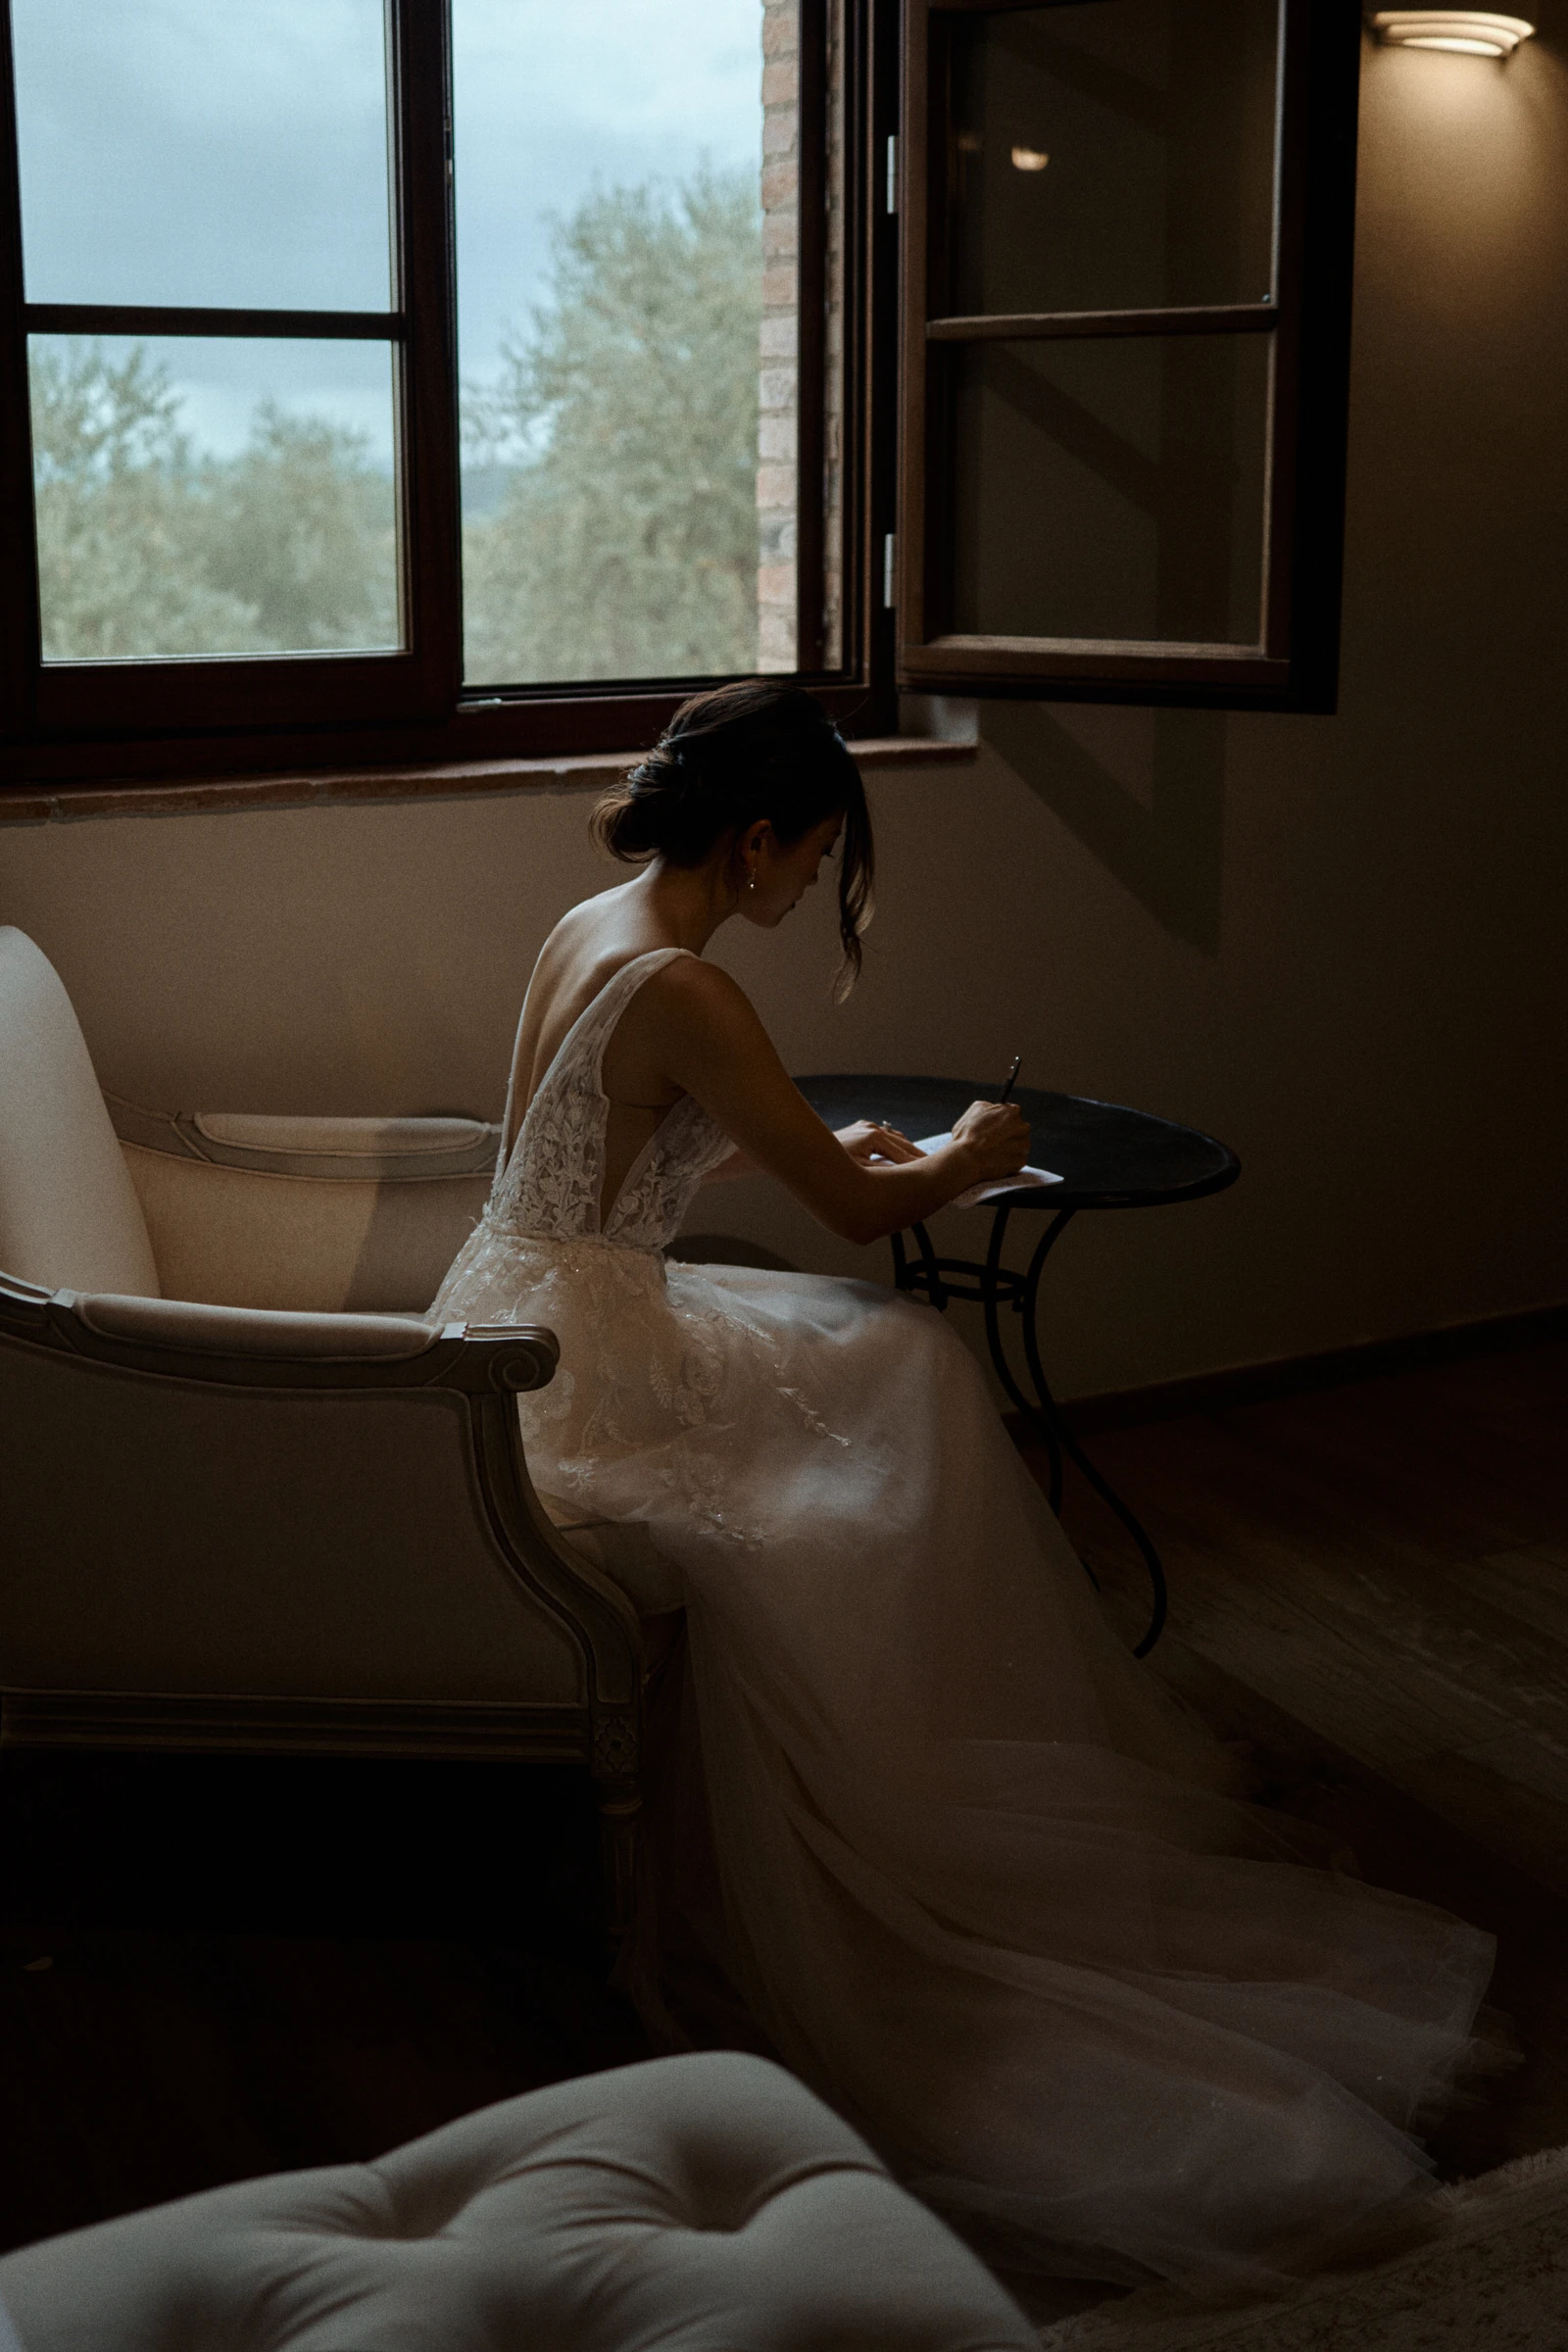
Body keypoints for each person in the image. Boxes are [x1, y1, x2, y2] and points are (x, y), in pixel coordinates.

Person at [428, 680, 1500, 2292]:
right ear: (760, 834)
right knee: (898, 1386)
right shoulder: (688, 983)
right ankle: (926, 1778)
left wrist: (803, 1134)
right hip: (587, 1365)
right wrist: (969, 1156)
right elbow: (863, 1227)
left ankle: (945, 1720)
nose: (804, 896)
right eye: (812, 864)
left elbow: (578, 1158)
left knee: (888, 1368)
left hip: (510, 1305)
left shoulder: (592, 920)